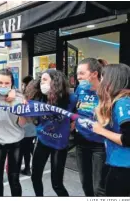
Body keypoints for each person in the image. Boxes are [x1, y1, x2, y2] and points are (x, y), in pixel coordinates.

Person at [30, 69, 72, 196]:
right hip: (42, 140)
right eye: (41, 80)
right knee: (35, 177)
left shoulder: (71, 98)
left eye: (45, 80)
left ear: (55, 82)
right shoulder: (39, 96)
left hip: (59, 145)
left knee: (57, 184)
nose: (42, 83)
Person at [92, 64, 130, 196]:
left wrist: (100, 130)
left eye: (102, 78)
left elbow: (128, 139)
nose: (100, 82)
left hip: (123, 166)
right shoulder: (120, 100)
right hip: (116, 163)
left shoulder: (123, 102)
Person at [0, 68, 26, 196]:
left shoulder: (19, 97)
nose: (3, 86)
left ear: (12, 84)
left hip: (16, 142)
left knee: (14, 179)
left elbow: (22, 123)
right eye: (0, 83)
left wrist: (18, 107)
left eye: (7, 83)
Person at [73, 58, 107, 196]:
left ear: (94, 73)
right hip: (81, 143)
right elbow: (74, 107)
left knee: (98, 186)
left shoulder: (106, 90)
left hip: (100, 145)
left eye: (82, 73)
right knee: (85, 183)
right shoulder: (80, 88)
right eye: (77, 74)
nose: (78, 77)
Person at [20, 76, 37, 176]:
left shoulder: (26, 97)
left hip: (26, 129)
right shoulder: (36, 96)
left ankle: (27, 169)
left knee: (26, 150)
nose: (22, 86)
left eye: (23, 84)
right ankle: (33, 167)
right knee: (31, 148)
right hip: (34, 129)